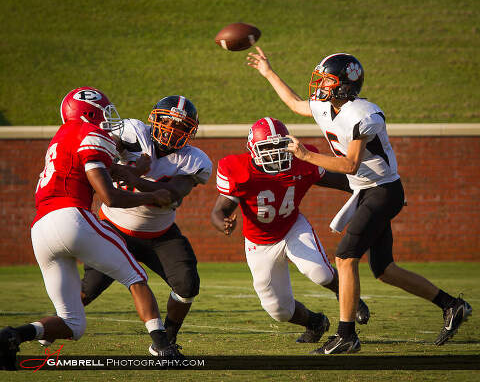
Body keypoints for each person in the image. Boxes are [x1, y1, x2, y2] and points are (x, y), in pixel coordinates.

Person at [246, 48, 472, 354]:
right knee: (385, 269)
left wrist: (305, 155)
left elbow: (351, 164)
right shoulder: (328, 108)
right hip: (368, 192)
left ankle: (346, 335)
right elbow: (296, 103)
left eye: (326, 81)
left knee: (345, 257)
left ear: (344, 85)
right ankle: (451, 305)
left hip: (382, 191)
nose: (320, 86)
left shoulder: (363, 113)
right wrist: (268, 72)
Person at [0, 87, 182, 370]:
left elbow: (101, 170)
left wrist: (136, 168)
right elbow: (110, 197)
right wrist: (151, 196)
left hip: (40, 229)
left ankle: (13, 335)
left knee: (73, 324)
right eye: (104, 114)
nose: (109, 121)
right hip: (71, 217)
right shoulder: (89, 134)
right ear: (89, 113)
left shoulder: (61, 137)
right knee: (135, 276)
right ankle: (162, 347)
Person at [211, 117, 370, 345]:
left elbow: (342, 181)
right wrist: (222, 223)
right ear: (253, 150)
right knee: (279, 311)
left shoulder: (302, 161)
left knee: (321, 273)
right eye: (268, 148)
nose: (276, 153)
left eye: (279, 146)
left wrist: (374, 191)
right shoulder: (238, 169)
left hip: (292, 227)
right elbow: (219, 211)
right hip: (259, 242)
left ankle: (350, 299)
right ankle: (315, 322)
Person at [80, 95, 212, 349]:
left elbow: (170, 195)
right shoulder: (133, 131)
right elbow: (105, 148)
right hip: (114, 229)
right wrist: (114, 149)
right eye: (167, 122)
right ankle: (49, 327)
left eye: (181, 126)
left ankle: (168, 340)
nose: (173, 131)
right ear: (154, 119)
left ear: (191, 132)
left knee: (187, 285)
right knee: (87, 291)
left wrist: (132, 175)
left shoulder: (193, 159)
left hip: (159, 234)